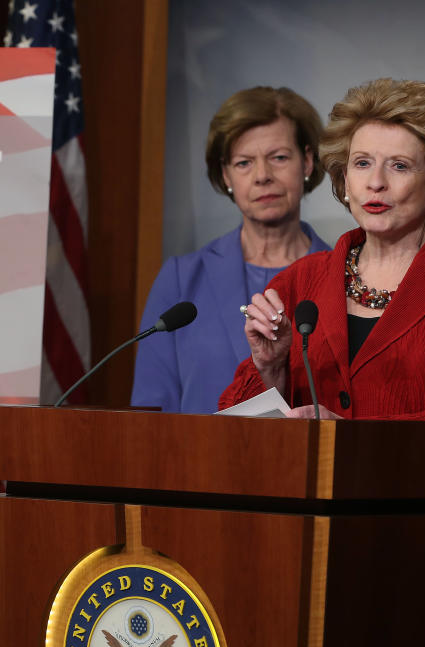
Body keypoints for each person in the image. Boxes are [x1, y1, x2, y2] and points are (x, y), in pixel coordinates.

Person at [220, 78, 425, 420]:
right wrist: (271, 368)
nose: (375, 182)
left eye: (399, 165)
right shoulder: (299, 281)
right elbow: (235, 428)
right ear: (345, 179)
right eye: (362, 163)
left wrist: (351, 439)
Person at [131, 87, 330, 414]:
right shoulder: (181, 279)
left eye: (279, 157)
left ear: (307, 161)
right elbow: (151, 409)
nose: (262, 176)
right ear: (225, 174)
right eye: (243, 163)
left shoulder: (343, 277)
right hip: (196, 463)